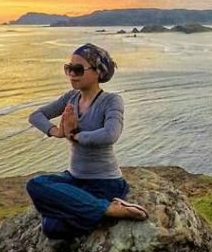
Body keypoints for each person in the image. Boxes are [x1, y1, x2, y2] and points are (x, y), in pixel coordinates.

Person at [26, 43, 147, 239]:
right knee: (37, 189)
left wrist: (75, 135)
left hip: (105, 182)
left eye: (78, 69)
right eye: (69, 68)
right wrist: (57, 131)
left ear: (98, 72)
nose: (72, 74)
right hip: (74, 178)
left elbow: (111, 134)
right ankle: (106, 209)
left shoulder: (111, 101)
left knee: (56, 219)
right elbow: (36, 116)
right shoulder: (71, 97)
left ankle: (99, 208)